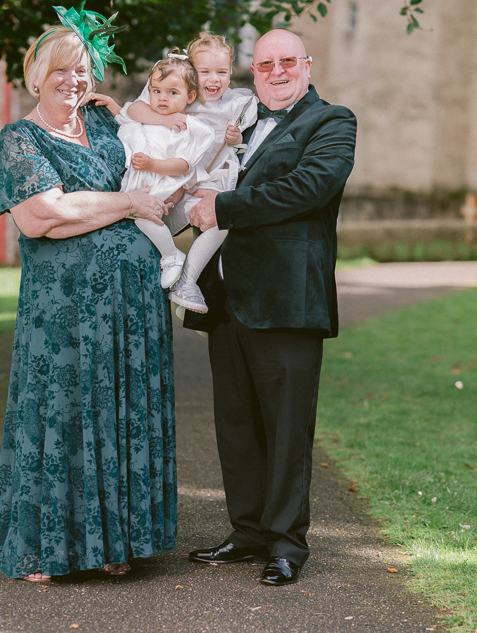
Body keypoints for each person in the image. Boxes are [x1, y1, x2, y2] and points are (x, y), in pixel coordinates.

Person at [0, 0, 177, 582]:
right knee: (60, 412)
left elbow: (165, 154)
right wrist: (126, 204)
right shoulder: (20, 138)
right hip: (60, 307)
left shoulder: (107, 123)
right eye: (60, 69)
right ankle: (47, 548)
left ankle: (118, 544)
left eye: (82, 68)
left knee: (120, 411)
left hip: (131, 301)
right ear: (36, 76)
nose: (73, 79)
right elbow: (43, 216)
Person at [183, 29, 358, 586]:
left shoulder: (332, 122)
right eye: (264, 64)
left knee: (286, 426)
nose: (276, 72)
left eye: (287, 61)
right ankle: (249, 531)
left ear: (307, 64)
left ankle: (286, 543)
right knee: (236, 423)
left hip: (287, 298)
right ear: (253, 72)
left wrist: (224, 207)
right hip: (229, 297)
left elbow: (309, 187)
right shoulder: (241, 118)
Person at [124, 33, 258, 313]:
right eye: (204, 72)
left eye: (222, 72)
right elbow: (134, 109)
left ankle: (188, 282)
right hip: (168, 175)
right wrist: (166, 118)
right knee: (145, 215)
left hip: (207, 178)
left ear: (231, 72)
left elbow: (241, 140)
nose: (214, 79)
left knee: (220, 220)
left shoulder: (238, 102)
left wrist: (234, 137)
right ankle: (168, 264)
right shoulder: (176, 91)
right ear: (191, 74)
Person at [93, 51, 213, 289]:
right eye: (156, 91)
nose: (162, 98)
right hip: (139, 184)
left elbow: (184, 164)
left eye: (172, 92)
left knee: (145, 217)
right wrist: (113, 105)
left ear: (190, 96)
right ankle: (167, 256)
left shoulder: (186, 126)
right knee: (137, 217)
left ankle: (171, 256)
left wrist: (152, 165)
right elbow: (128, 116)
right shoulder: (148, 116)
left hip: (160, 182)